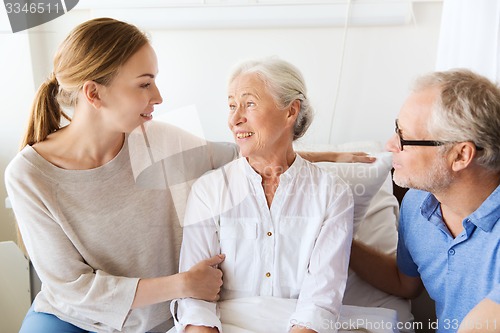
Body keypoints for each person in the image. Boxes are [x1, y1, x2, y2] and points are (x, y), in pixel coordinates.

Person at [5, 18, 372, 333]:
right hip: (72, 319)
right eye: (144, 83)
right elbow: (72, 289)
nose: (159, 96)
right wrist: (183, 284)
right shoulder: (28, 175)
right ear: (94, 94)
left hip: (157, 320)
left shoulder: (158, 140)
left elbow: (252, 152)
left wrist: (329, 155)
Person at [172, 58, 354, 333]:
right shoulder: (209, 191)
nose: (234, 120)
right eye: (232, 106)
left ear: (291, 111)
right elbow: (194, 299)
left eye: (249, 104)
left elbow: (320, 302)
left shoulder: (332, 194)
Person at [349, 69, 500, 333]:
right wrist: (335, 237)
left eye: (404, 137)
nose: (389, 145)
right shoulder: (418, 204)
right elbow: (404, 283)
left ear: (460, 155)